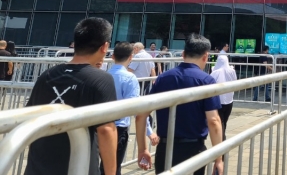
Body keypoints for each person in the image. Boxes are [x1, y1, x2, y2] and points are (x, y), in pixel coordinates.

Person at [25, 18, 118, 175]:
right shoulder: (101, 79)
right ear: (105, 46)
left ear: (75, 42)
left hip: (38, 166)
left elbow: (29, 118)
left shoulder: (47, 75)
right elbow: (106, 130)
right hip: (78, 167)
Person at [136, 34, 223, 175]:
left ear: (183, 54)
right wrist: (218, 159)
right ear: (206, 57)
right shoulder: (207, 81)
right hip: (194, 148)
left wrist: (142, 149)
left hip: (165, 148)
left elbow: (141, 116)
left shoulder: (163, 78)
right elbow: (213, 121)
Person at [102, 42, 159, 175]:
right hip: (119, 127)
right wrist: (149, 132)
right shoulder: (129, 78)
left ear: (113, 56)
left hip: (102, 125)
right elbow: (136, 109)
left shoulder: (104, 76)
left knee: (104, 166)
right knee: (114, 167)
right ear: (131, 57)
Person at [210, 55, 237, 139]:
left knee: (220, 122)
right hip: (229, 100)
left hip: (218, 100)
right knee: (224, 121)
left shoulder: (214, 72)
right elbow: (235, 81)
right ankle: (222, 138)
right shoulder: (232, 71)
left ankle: (221, 139)